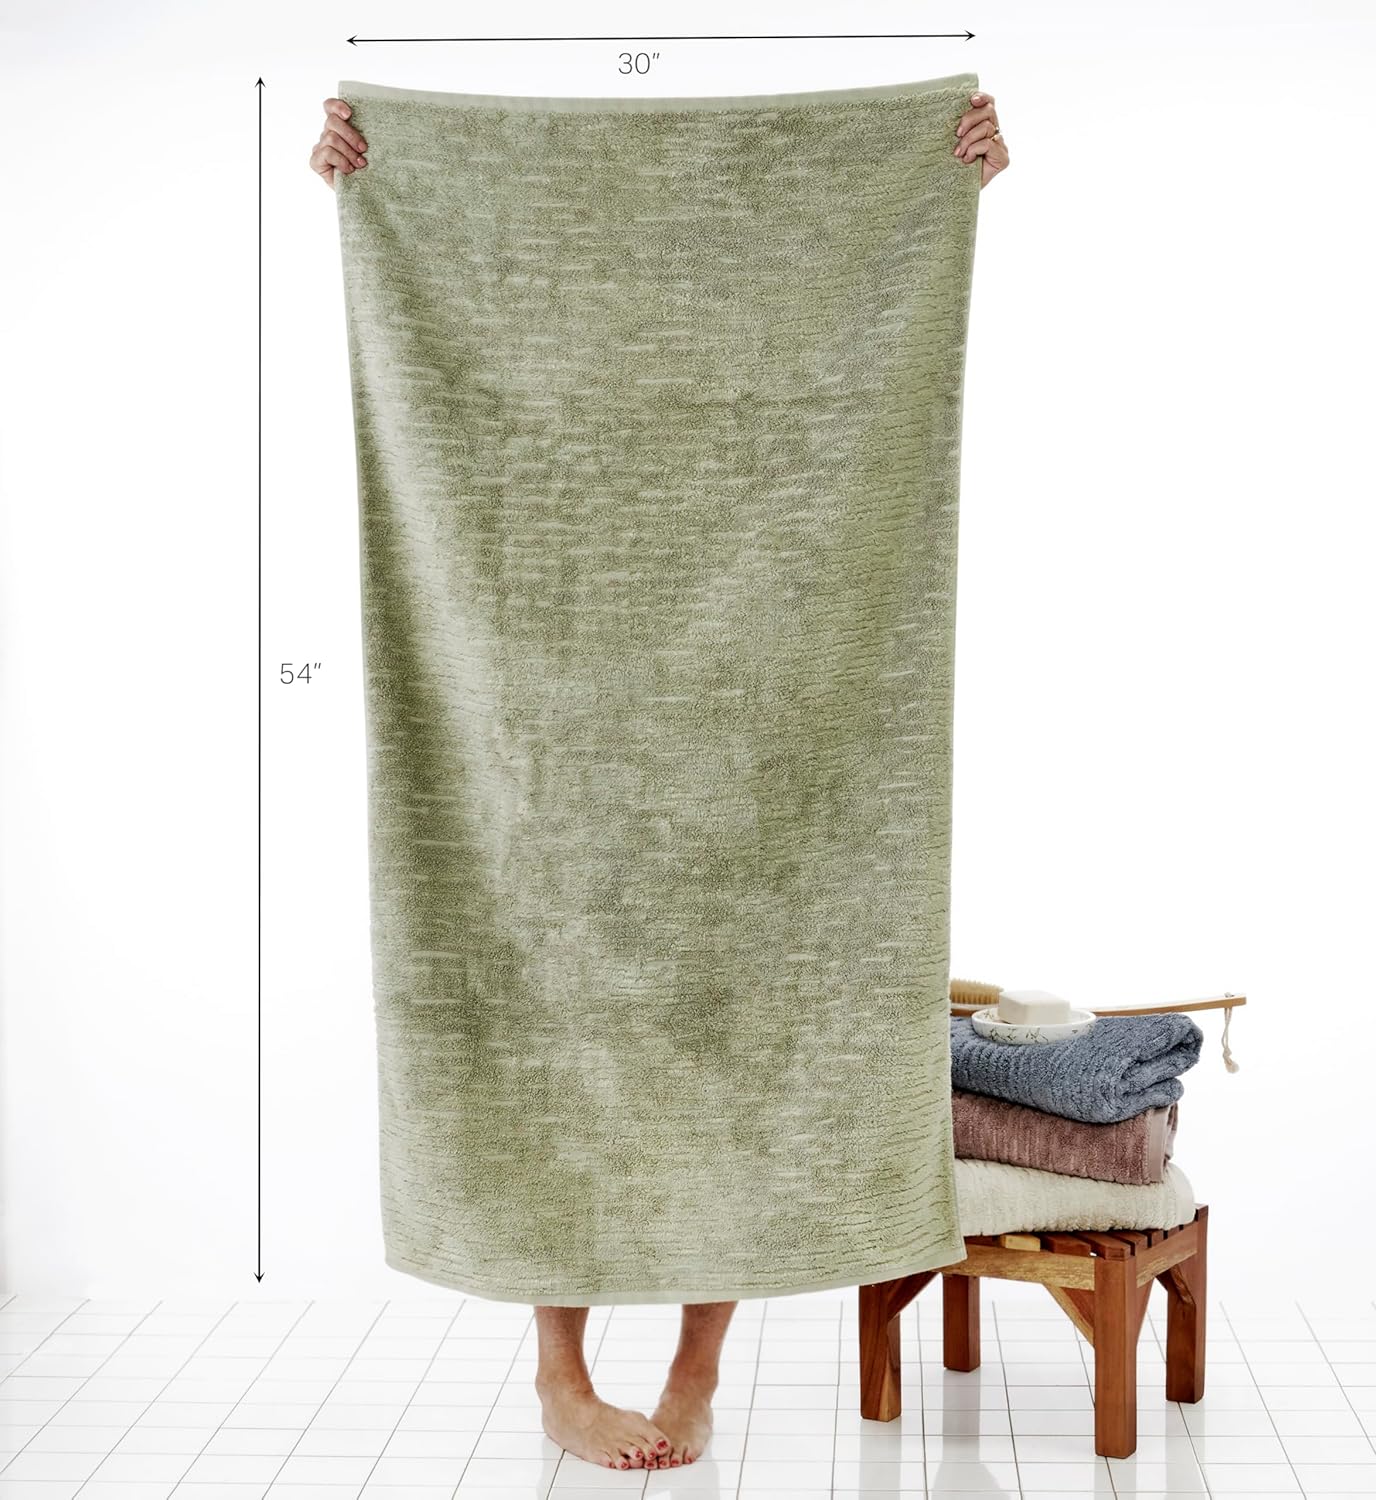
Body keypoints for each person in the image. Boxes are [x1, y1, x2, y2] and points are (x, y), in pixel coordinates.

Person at [308, 84, 1005, 1474]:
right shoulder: (535, 273)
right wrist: (366, 184)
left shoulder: (754, 295)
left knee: (732, 1017)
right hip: (546, 686)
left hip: (750, 689)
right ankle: (559, 1375)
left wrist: (943, 184)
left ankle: (698, 1365)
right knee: (546, 1021)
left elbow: (851, 273)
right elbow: (455, 266)